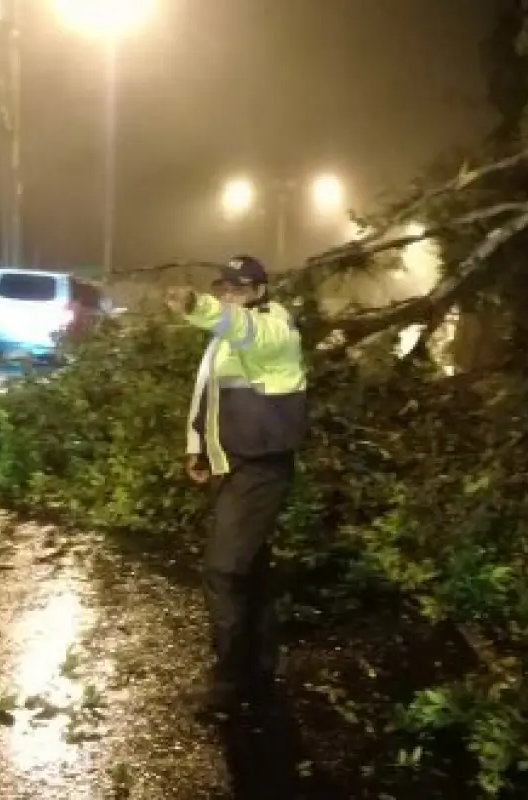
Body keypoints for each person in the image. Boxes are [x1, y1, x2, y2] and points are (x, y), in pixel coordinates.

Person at [164, 254, 308, 715]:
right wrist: (197, 447)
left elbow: (245, 329)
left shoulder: (275, 327)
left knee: (223, 570)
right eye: (223, 287)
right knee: (251, 570)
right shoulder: (223, 340)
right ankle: (260, 669)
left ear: (260, 292)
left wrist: (197, 305)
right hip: (234, 464)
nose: (229, 295)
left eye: (238, 289)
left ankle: (230, 679)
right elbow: (206, 395)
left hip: (260, 468)